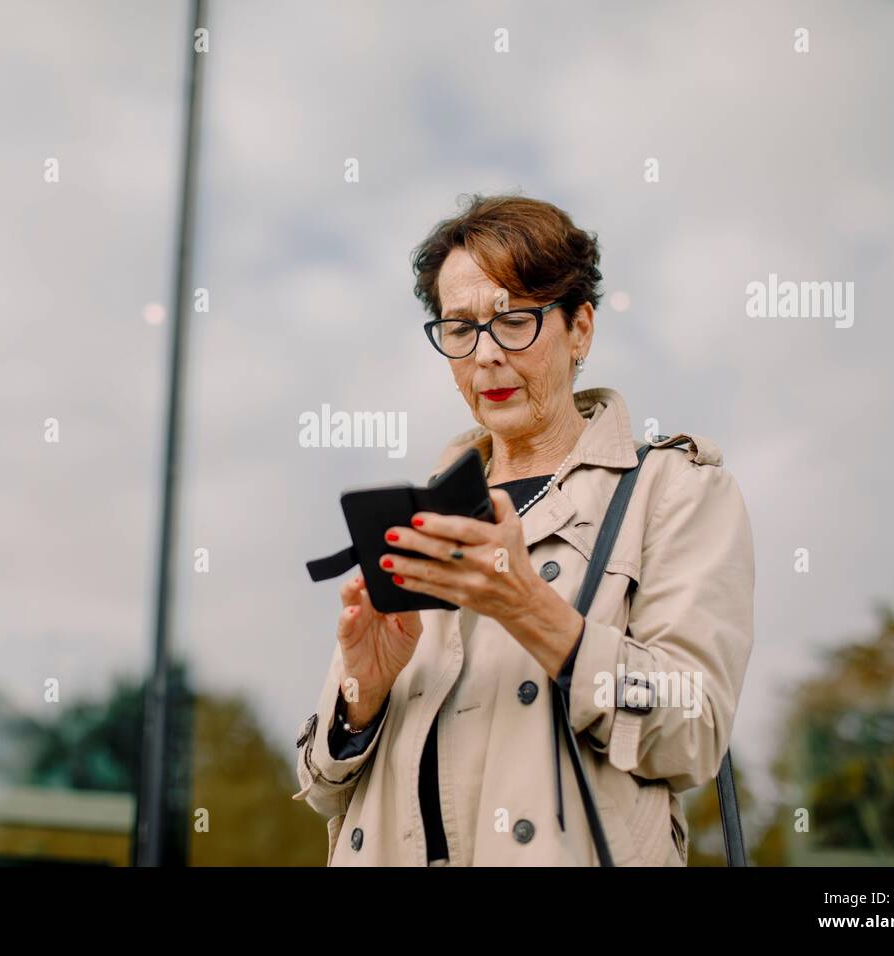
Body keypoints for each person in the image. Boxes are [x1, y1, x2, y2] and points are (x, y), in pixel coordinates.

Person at [293, 193, 755, 866]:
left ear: (580, 329)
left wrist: (531, 609)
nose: (485, 355)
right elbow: (323, 792)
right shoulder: (418, 518)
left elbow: (696, 731)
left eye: (514, 321)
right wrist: (360, 695)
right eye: (459, 328)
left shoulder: (675, 492)